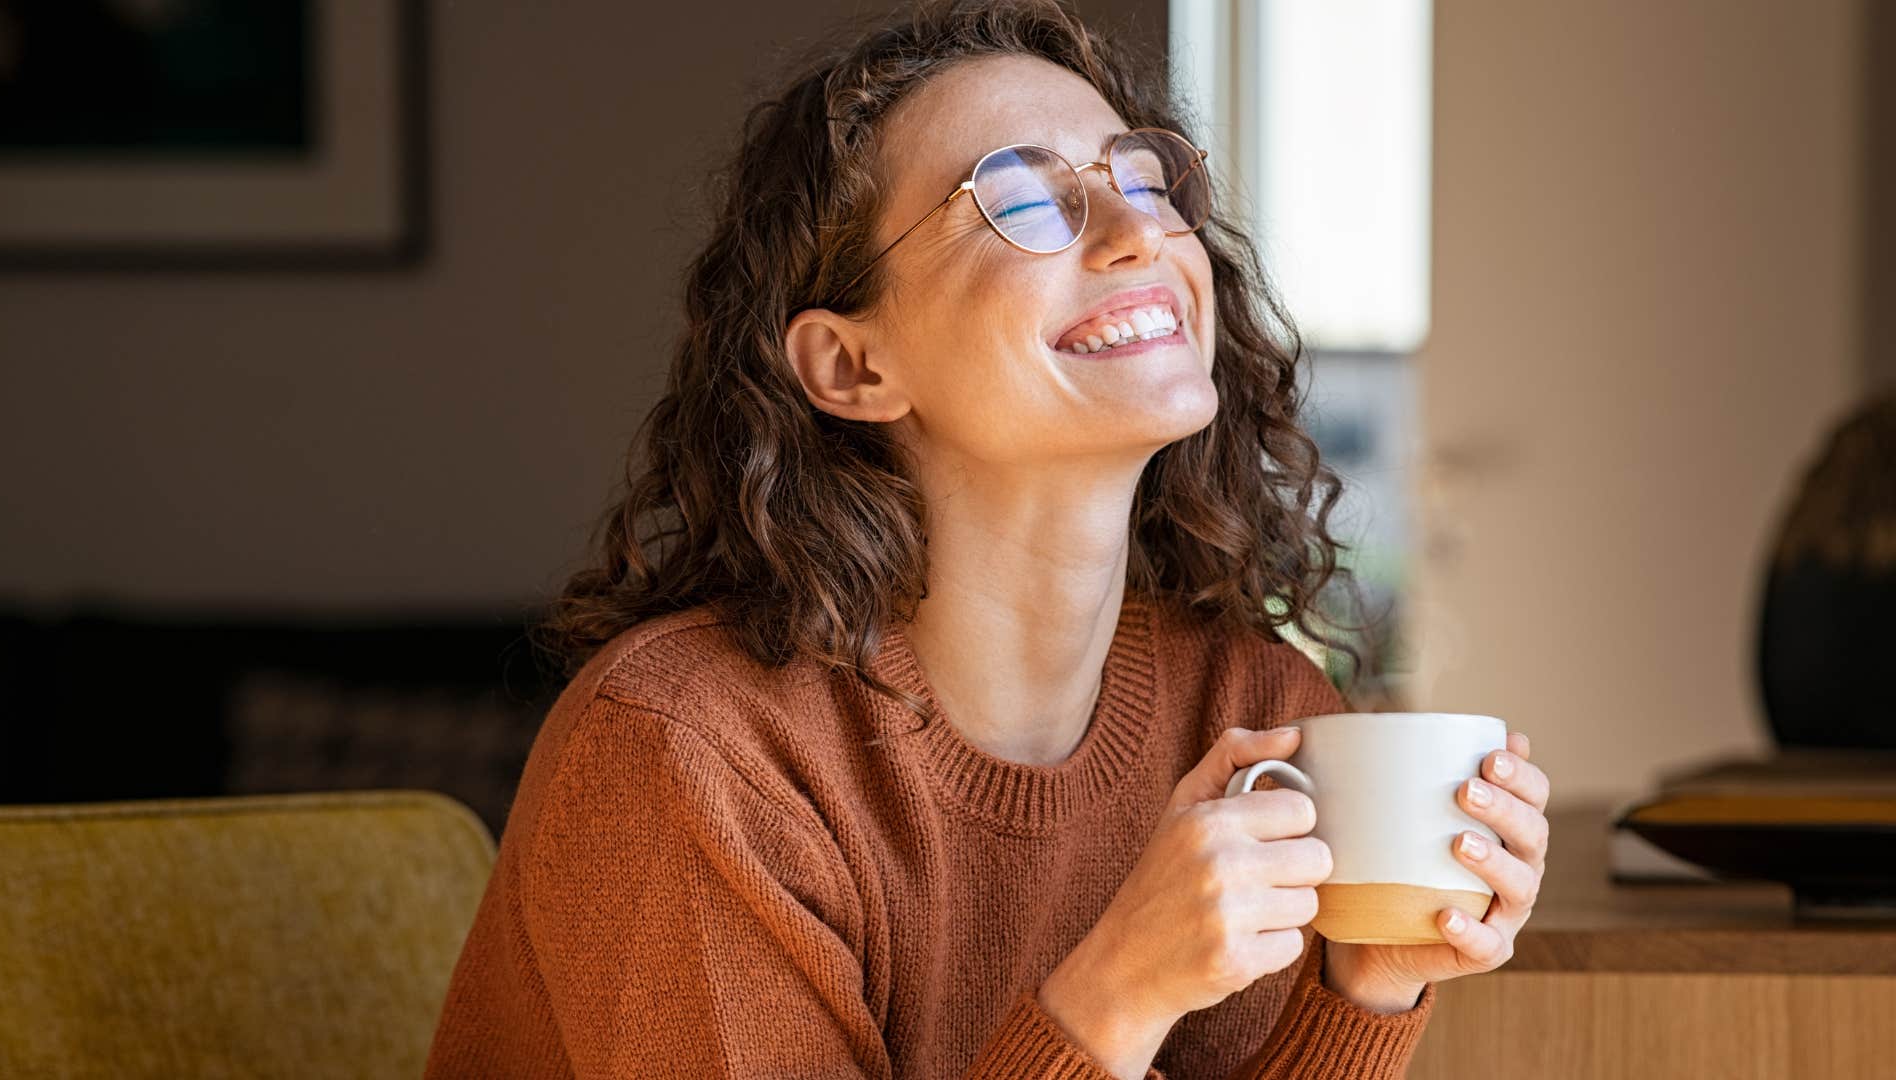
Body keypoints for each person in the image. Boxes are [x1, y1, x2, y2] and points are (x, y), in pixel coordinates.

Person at [424, 1, 1552, 1076]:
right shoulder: (692, 757)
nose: (1134, 235)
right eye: (1020, 198)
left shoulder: (1254, 713)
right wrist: (1114, 996)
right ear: (852, 366)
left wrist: (1366, 991)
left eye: (1144, 179)